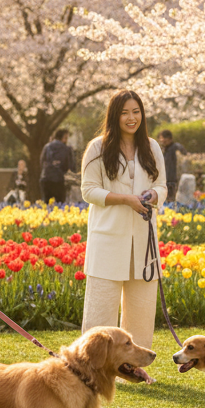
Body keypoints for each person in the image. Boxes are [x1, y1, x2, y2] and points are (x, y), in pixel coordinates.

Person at [80, 90, 167, 349]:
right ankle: (91, 364)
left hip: (143, 240)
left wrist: (153, 194)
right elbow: (88, 190)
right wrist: (125, 199)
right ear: (114, 116)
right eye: (125, 113)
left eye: (136, 112)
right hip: (107, 240)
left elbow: (162, 185)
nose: (131, 118)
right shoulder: (98, 147)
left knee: (141, 309)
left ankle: (136, 365)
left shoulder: (152, 147)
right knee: (101, 309)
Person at [38, 129, 74, 203]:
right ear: (62, 138)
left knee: (47, 204)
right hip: (59, 180)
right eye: (66, 138)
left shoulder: (47, 147)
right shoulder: (66, 149)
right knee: (60, 204)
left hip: (46, 179)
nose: (66, 140)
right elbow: (70, 166)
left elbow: (42, 162)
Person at [158, 130, 187, 203]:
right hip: (165, 179)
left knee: (173, 199)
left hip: (174, 179)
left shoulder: (176, 147)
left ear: (169, 138)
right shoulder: (164, 149)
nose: (161, 140)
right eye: (160, 138)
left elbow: (183, 158)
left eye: (163, 138)